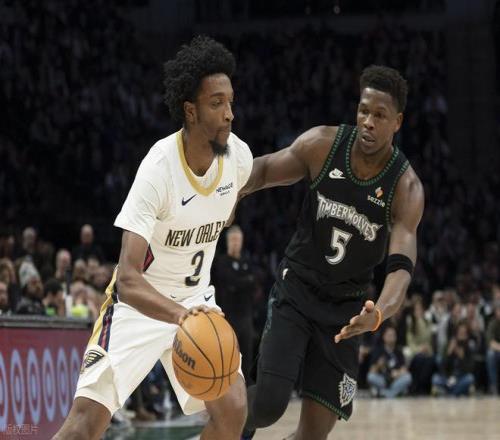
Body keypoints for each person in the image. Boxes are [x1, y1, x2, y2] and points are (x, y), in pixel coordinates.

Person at [53, 35, 253, 440]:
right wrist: (180, 317)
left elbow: (238, 195)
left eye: (231, 102)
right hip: (139, 305)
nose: (230, 114)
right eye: (217, 103)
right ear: (190, 110)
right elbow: (128, 279)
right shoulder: (158, 169)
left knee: (233, 410)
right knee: (83, 426)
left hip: (195, 300)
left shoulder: (238, 157)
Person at [240, 65, 424, 439]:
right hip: (297, 291)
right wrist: (232, 194)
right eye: (364, 111)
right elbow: (264, 170)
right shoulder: (323, 145)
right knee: (269, 405)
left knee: (313, 435)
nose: (368, 122)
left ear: (397, 122)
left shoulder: (405, 187)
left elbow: (401, 269)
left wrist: (378, 314)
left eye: (380, 115)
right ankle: (224, 425)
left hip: (345, 311)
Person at [213, 224, 257, 380]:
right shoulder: (222, 261)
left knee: (247, 354)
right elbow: (230, 282)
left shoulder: (247, 261)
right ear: (227, 242)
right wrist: (246, 281)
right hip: (228, 316)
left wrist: (241, 283)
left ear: (242, 241)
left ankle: (246, 387)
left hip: (246, 315)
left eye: (238, 240)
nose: (235, 243)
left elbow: (255, 282)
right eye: (233, 240)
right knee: (229, 355)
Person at [367, 325, 412, 398]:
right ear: (384, 337)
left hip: (395, 380)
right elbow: (372, 371)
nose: (391, 338)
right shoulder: (378, 351)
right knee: (370, 377)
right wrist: (378, 365)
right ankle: (394, 393)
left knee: (408, 377)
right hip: (383, 379)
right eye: (389, 335)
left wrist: (397, 373)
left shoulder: (398, 351)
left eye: (393, 335)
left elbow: (404, 369)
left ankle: (384, 393)